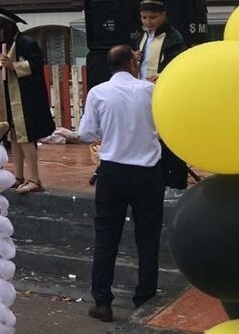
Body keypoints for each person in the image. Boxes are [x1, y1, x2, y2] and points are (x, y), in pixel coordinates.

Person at [76, 45, 164, 322]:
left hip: (113, 172)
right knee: (148, 238)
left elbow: (86, 133)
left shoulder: (98, 92)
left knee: (106, 237)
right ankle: (145, 297)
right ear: (132, 64)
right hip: (147, 172)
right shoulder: (150, 91)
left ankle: (102, 302)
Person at [0, 8, 56, 194]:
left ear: (7, 28)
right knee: (14, 136)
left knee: (25, 136)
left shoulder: (26, 42)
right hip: (11, 97)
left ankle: (34, 178)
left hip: (27, 98)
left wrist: (14, 66)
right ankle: (18, 176)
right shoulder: (3, 45)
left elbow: (36, 65)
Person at [135, 0, 189, 201]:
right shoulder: (142, 36)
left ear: (163, 16)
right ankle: (160, 181)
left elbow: (180, 63)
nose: (148, 22)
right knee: (151, 139)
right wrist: (135, 56)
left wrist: (164, 73)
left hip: (165, 93)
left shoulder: (173, 37)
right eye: (144, 18)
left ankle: (177, 183)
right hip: (145, 91)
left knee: (168, 139)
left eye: (153, 18)